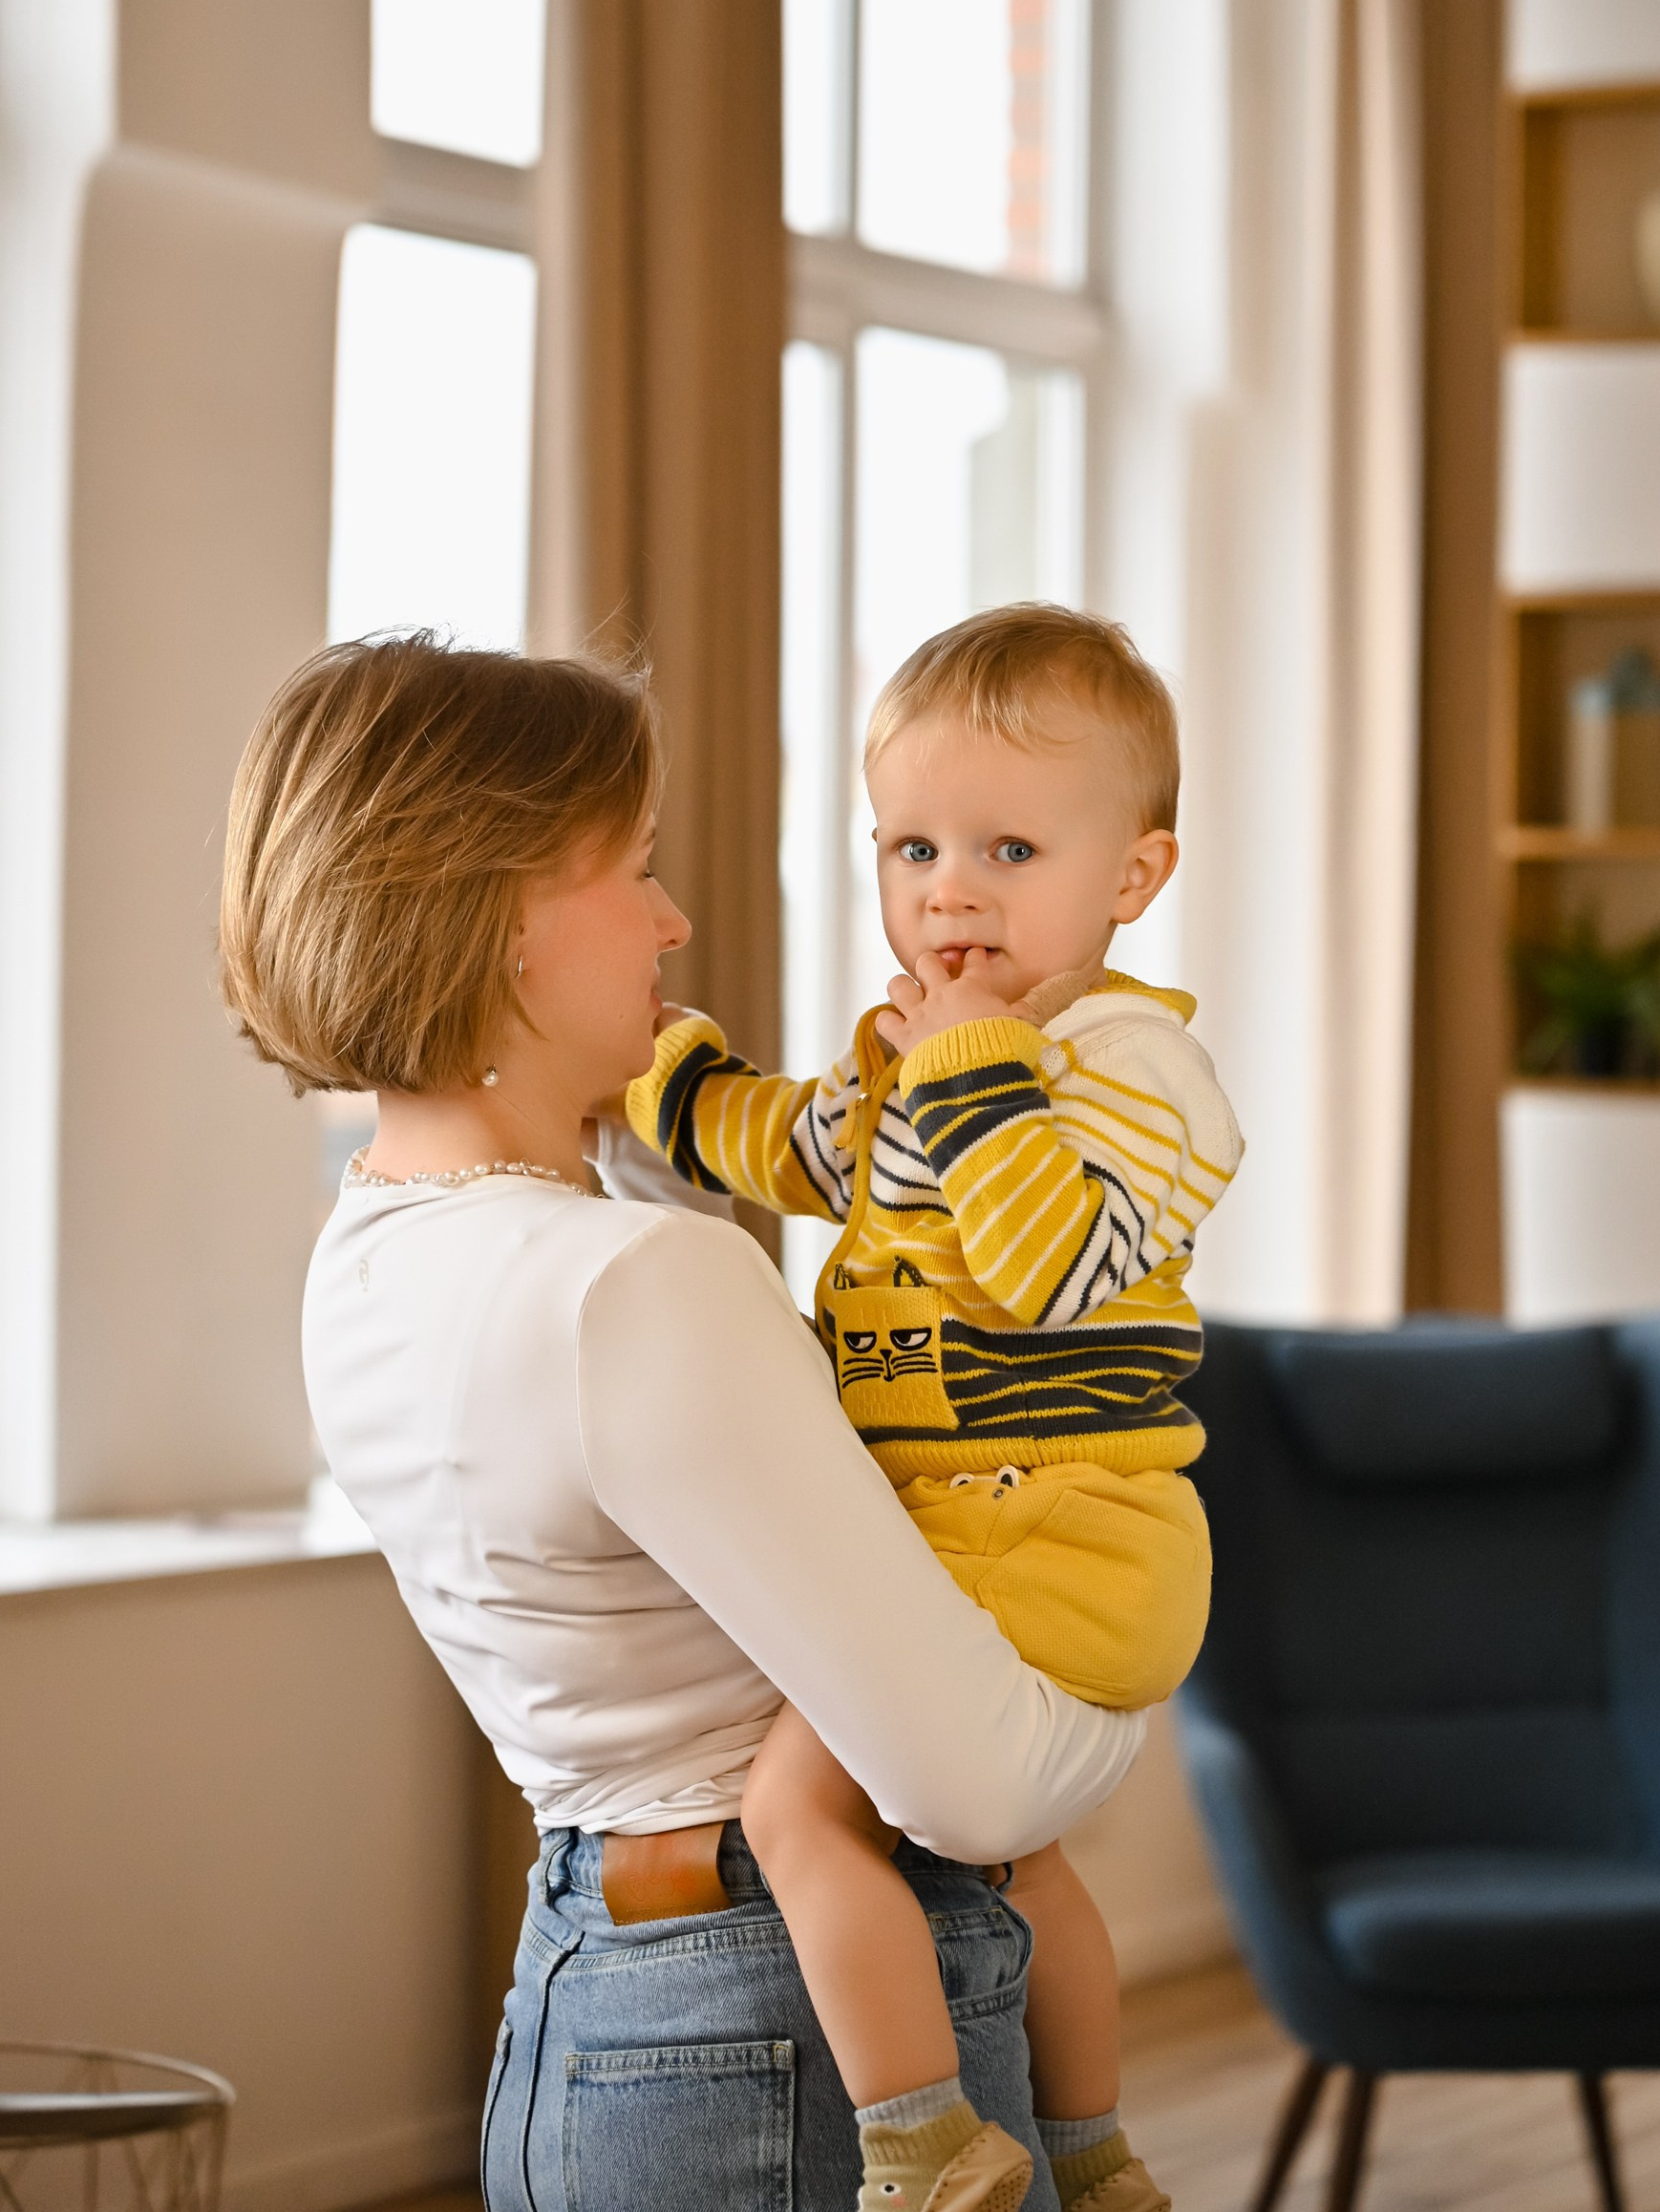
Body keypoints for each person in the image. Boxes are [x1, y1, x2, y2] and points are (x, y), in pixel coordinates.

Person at [218, 633, 1144, 2212]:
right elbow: (977, 1789)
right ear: (501, 914)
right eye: (633, 871)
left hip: (592, 1999)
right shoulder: (638, 1283)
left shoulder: (371, 1249)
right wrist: (1127, 1665)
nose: (673, 920)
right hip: (787, 2035)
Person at [625, 606, 1243, 2212]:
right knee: (1019, 1872)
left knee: (791, 1812)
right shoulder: (924, 1059)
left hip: (1055, 1531)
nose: (948, 890)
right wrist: (654, 1070)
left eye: (1010, 847)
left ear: (1134, 877)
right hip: (985, 1540)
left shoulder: (1131, 1067)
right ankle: (1096, 2155)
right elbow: (791, 1149)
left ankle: (920, 2138)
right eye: (910, 846)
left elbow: (1047, 1270)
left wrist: (970, 1064)